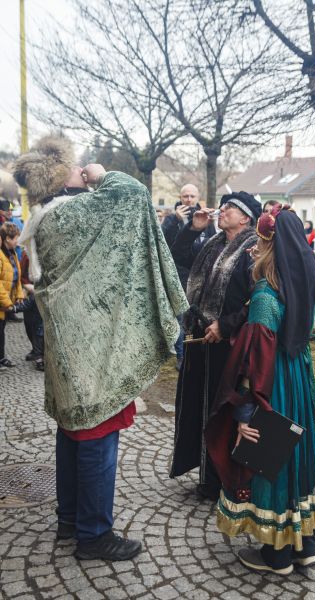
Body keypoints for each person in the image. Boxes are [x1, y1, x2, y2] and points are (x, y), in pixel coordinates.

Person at [14, 135, 188, 561]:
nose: (82, 169)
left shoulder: (45, 219)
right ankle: (94, 534)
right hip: (91, 356)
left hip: (68, 351)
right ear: (61, 178)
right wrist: (102, 174)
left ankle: (70, 520)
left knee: (72, 433)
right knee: (96, 435)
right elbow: (133, 194)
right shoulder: (72, 214)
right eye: (75, 167)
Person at [205, 204, 315, 575]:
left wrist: (244, 414)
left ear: (271, 246)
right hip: (296, 383)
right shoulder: (300, 287)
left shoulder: (264, 297)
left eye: (259, 242)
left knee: (271, 462)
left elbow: (252, 363)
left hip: (272, 386)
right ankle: (304, 545)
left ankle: (276, 555)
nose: (253, 248)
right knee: (296, 456)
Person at [169, 191, 262, 500]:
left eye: (230, 208)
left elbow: (259, 299)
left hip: (230, 345)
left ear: (246, 218)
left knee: (221, 411)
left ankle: (224, 480)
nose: (222, 211)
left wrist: (226, 325)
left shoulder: (253, 250)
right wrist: (193, 229)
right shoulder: (213, 243)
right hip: (201, 339)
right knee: (199, 406)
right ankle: (207, 477)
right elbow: (178, 257)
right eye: (222, 207)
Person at [162, 184, 216, 369]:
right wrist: (174, 220)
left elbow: (212, 242)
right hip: (178, 275)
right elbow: (163, 242)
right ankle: (181, 355)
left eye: (192, 196)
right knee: (180, 317)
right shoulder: (173, 218)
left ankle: (195, 352)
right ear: (180, 197)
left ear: (198, 197)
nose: (189, 199)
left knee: (197, 315)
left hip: (200, 275)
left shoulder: (206, 218)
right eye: (185, 196)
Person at [0, 222, 24, 369]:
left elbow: (17, 277)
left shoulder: (12, 254)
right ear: (8, 239)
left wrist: (19, 295)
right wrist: (7, 303)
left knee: (1, 330)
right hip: (3, 301)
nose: (18, 241)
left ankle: (1, 358)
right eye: (16, 238)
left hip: (5, 301)